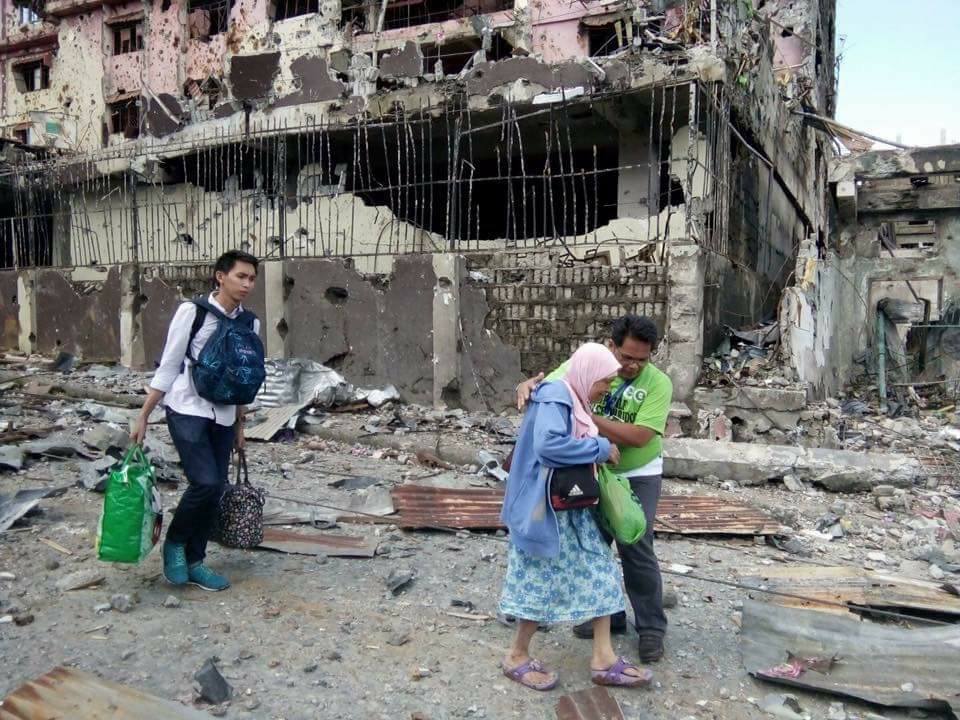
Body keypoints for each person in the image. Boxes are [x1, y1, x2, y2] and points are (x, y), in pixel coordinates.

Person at [516, 315, 673, 663]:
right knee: (593, 544)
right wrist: (526, 385)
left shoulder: (658, 384)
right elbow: (550, 389)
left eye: (642, 359)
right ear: (611, 345)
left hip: (638, 471)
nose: (633, 366)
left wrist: (584, 414)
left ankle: (651, 627)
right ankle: (609, 614)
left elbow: (639, 436)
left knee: (635, 541)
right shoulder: (586, 364)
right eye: (626, 357)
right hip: (592, 467)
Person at [499, 342, 654, 691]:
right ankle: (516, 655)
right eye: (605, 381)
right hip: (544, 511)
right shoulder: (557, 396)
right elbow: (548, 446)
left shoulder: (574, 397)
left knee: (600, 572)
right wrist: (599, 448)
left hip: (570, 508)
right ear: (588, 373)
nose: (606, 388)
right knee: (540, 580)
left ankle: (604, 658)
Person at [130, 250, 262, 592]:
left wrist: (240, 427)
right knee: (204, 482)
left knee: (215, 489)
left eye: (252, 279)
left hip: (225, 413)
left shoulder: (251, 323)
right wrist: (143, 415)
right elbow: (169, 365)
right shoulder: (193, 312)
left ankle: (195, 561)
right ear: (220, 276)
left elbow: (243, 380)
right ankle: (175, 543)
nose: (247, 284)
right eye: (241, 276)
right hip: (187, 406)